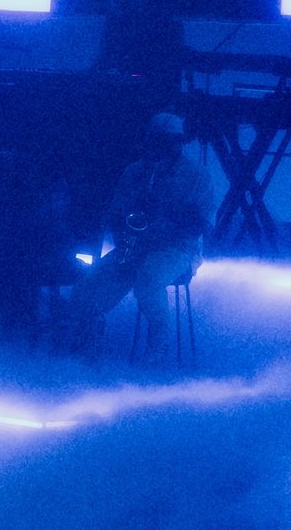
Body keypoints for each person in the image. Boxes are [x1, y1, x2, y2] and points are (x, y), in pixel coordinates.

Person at [71, 112, 211, 357]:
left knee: (149, 280)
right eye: (157, 141)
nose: (161, 148)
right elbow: (117, 215)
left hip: (177, 249)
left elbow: (201, 223)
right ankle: (87, 348)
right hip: (134, 246)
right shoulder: (135, 172)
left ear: (178, 143)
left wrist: (164, 215)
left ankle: (158, 345)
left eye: (168, 142)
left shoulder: (196, 176)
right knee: (87, 287)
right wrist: (127, 236)